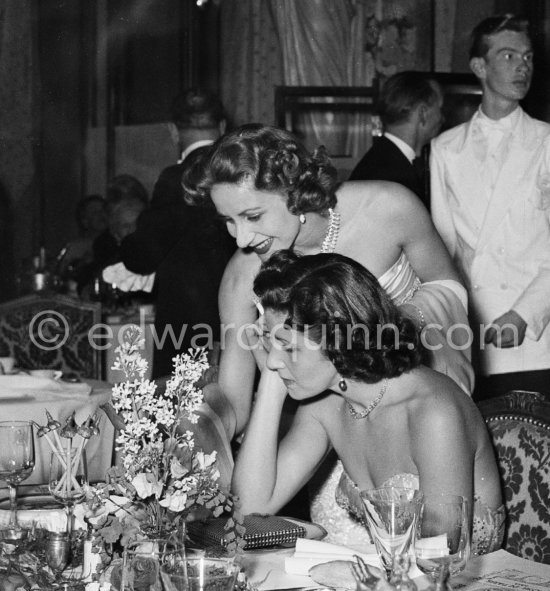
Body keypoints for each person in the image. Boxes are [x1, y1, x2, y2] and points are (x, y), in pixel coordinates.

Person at [183, 123, 474, 443]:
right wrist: (190, 427)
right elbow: (235, 407)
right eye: (228, 220)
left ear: (292, 190)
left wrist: (398, 321)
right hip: (328, 438)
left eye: (252, 216)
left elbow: (449, 286)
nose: (242, 238)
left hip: (422, 413)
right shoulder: (240, 277)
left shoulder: (387, 206)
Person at [232, 250, 504, 556]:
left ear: (338, 341)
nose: (272, 359)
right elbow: (251, 509)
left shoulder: (433, 412)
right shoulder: (326, 405)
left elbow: (440, 556)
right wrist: (272, 381)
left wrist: (352, 578)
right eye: (270, 342)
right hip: (392, 590)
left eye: (289, 347)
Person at [430, 14, 550, 401]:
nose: (523, 67)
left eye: (527, 57)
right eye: (509, 56)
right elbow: (440, 253)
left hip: (535, 338)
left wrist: (525, 314)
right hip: (471, 340)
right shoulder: (445, 148)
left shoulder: (546, 142)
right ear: (479, 67)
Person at [119, 88, 235, 379]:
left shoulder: (175, 178)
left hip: (185, 326)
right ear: (222, 127)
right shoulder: (240, 172)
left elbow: (142, 256)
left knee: (181, 412)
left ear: (173, 131)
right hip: (241, 320)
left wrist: (126, 236)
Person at [349, 71, 443, 208]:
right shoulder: (394, 178)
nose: (442, 118)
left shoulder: (384, 159)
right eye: (439, 108)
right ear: (423, 114)